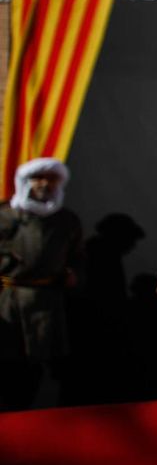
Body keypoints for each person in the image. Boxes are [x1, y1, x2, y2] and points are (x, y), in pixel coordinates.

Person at [1, 158, 83, 410]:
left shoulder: (65, 220)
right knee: (7, 359)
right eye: (38, 178)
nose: (44, 184)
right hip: (8, 299)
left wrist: (74, 274)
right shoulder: (5, 216)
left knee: (41, 364)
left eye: (51, 179)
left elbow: (78, 256)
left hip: (46, 301)